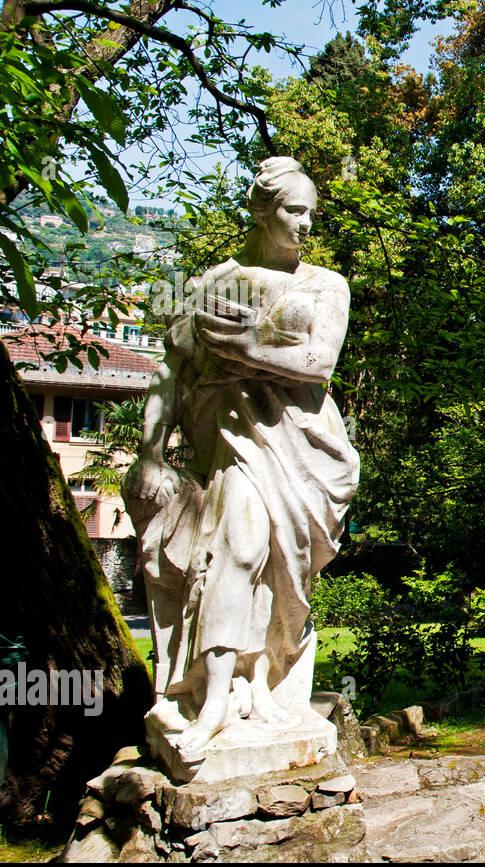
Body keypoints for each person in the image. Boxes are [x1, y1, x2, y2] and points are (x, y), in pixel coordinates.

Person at [125, 157, 360, 759]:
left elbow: (319, 363)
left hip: (306, 452)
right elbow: (171, 374)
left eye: (311, 212)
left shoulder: (326, 285)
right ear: (261, 210)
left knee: (281, 579)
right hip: (233, 442)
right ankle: (215, 703)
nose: (306, 223)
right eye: (294, 210)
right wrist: (150, 451)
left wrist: (247, 344)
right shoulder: (216, 284)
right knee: (238, 547)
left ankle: (256, 684)